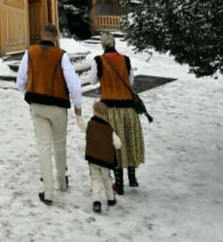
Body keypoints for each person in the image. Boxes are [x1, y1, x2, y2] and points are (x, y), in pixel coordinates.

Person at [16, 23, 83, 206]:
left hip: (37, 104)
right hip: (58, 105)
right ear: (56, 38)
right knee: (59, 143)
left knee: (43, 146)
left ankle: (48, 192)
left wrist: (28, 91)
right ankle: (61, 182)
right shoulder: (61, 56)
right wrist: (77, 104)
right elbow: (73, 82)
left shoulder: (30, 52)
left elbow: (20, 80)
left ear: (41, 34)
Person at [89, 31, 145, 194]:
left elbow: (92, 80)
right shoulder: (125, 60)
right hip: (128, 108)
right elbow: (131, 81)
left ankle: (119, 183)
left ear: (102, 45)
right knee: (129, 140)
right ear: (114, 44)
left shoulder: (98, 61)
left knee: (114, 145)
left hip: (110, 109)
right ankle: (132, 177)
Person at [77, 101, 121, 214]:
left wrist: (78, 116)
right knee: (107, 179)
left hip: (93, 158)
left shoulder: (90, 124)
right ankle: (111, 199)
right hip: (105, 161)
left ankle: (96, 201)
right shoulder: (109, 129)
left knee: (95, 179)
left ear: (94, 113)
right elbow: (118, 144)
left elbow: (81, 125)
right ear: (105, 115)